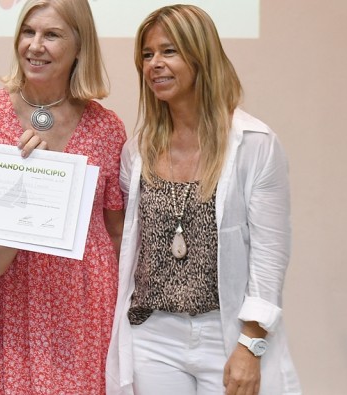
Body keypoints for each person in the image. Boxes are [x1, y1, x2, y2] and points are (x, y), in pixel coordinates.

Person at [105, 5, 302, 395]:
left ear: (201, 56)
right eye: (147, 55)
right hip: (153, 336)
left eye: (169, 51)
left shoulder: (254, 145)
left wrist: (251, 345)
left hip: (225, 333)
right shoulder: (137, 151)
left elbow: (269, 258)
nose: (154, 64)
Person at [0, 0, 126, 393]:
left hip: (84, 306)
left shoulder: (107, 127)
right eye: (28, 32)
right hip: (8, 300)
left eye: (51, 34)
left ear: (79, 46)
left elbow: (116, 231)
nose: (35, 45)